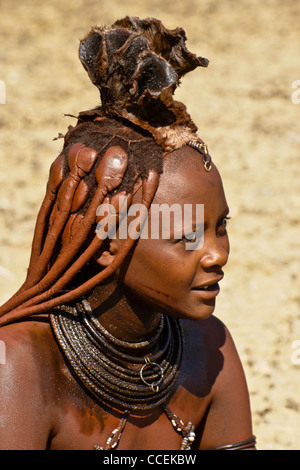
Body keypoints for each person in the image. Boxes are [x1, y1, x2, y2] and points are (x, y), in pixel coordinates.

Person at [0, 17, 256, 450]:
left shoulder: (208, 347)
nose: (216, 254)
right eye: (188, 236)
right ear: (112, 238)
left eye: (221, 228)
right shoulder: (20, 364)